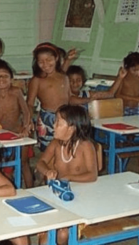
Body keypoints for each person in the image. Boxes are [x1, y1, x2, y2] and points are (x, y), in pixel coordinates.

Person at [36, 104, 97, 245]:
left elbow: (92, 175)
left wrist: (68, 178)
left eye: (58, 122)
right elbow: (40, 163)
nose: (53, 125)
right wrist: (47, 171)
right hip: (57, 199)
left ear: (72, 128)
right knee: (45, 240)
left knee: (63, 234)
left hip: (79, 201)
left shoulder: (86, 146)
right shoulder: (55, 144)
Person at [0, 59, 33, 188]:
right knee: (2, 165)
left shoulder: (16, 92)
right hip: (1, 137)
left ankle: (32, 189)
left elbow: (26, 112)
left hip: (19, 133)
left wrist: (26, 127)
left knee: (24, 162)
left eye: (5, 76)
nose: (1, 79)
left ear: (11, 78)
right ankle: (6, 188)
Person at [27, 42, 70, 152]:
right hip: (47, 118)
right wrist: (28, 121)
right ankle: (49, 169)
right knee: (48, 151)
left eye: (49, 60)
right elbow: (30, 103)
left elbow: (68, 97)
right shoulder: (36, 80)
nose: (45, 64)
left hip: (67, 118)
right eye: (41, 61)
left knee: (66, 149)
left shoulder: (64, 77)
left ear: (56, 58)